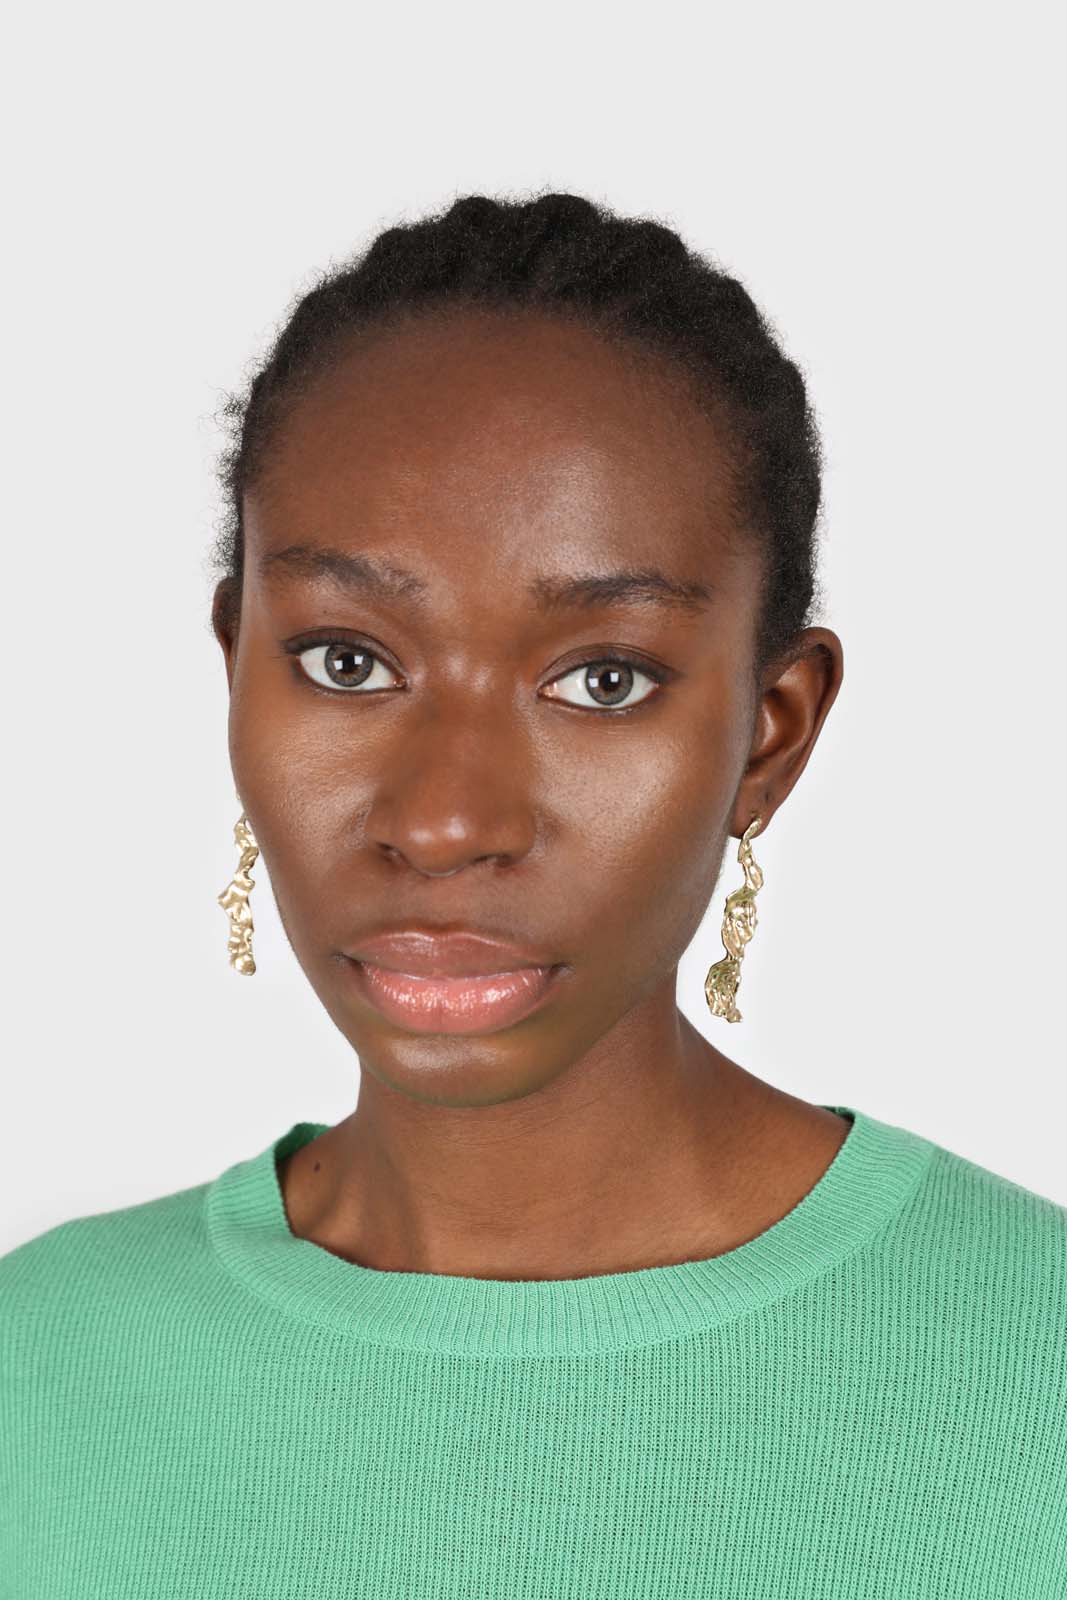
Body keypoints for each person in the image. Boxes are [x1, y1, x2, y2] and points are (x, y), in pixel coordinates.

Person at [2, 191, 1064, 1598]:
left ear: (771, 734)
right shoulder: (38, 1369)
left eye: (603, 680)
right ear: (234, 664)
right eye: (344, 662)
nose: (446, 822)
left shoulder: (1037, 1365)